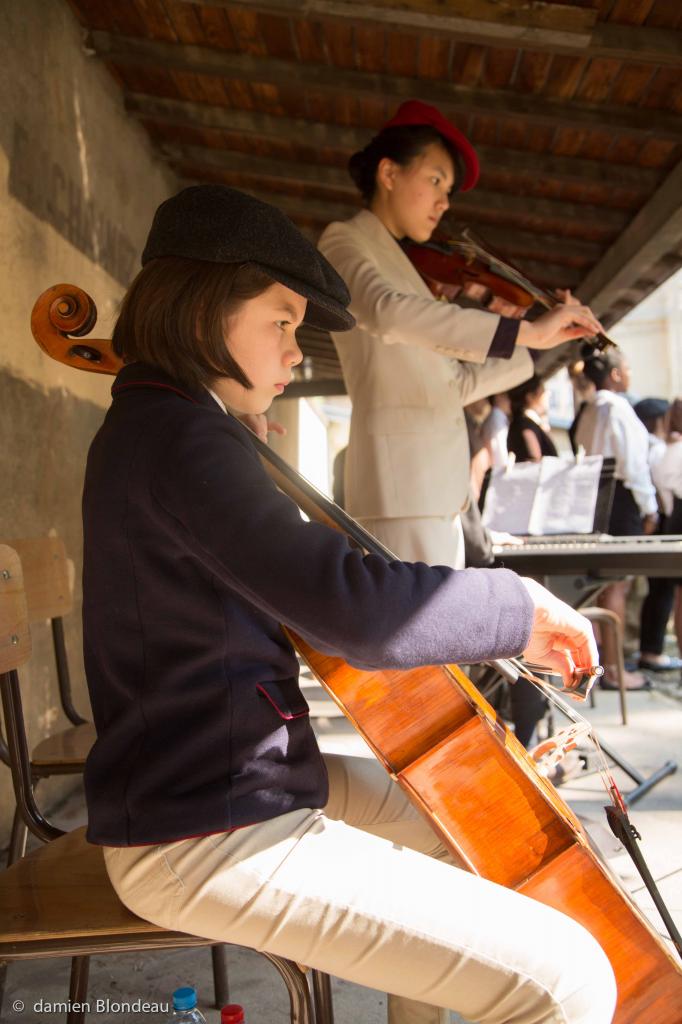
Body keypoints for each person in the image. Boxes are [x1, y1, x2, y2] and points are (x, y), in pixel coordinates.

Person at [83, 185, 616, 1024]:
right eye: (282, 322)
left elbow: (306, 582)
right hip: (199, 830)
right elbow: (354, 611)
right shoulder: (182, 440)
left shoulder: (174, 429)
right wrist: (517, 607)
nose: (298, 353)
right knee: (569, 979)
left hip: (222, 777)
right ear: (199, 312)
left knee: (458, 826)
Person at [318, 100, 605, 569]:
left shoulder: (411, 270)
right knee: (413, 637)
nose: (444, 202)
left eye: (448, 189)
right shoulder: (344, 240)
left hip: (440, 492)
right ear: (388, 173)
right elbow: (389, 314)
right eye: (434, 180)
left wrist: (532, 341)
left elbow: (457, 386)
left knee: (436, 638)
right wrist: (524, 330)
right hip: (400, 491)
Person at [574, 351, 658, 690]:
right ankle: (614, 668)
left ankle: (600, 664)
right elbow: (635, 465)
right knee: (617, 585)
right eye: (627, 367)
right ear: (615, 374)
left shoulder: (589, 410)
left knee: (599, 588)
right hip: (620, 498)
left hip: (594, 498)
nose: (630, 372)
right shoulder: (617, 408)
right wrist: (649, 507)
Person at [633, 398, 682, 673]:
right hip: (671, 515)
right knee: (668, 592)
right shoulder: (668, 449)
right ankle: (652, 651)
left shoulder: (664, 449)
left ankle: (651, 650)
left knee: (662, 592)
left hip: (668, 517)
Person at [507, 375, 558, 463]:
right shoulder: (525, 426)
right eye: (542, 391)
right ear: (530, 397)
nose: (547, 395)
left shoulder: (524, 423)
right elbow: (535, 461)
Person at [482, 391, 512, 469]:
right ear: (498, 397)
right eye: (507, 397)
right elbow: (499, 448)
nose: (509, 401)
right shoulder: (497, 416)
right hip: (498, 469)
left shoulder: (496, 416)